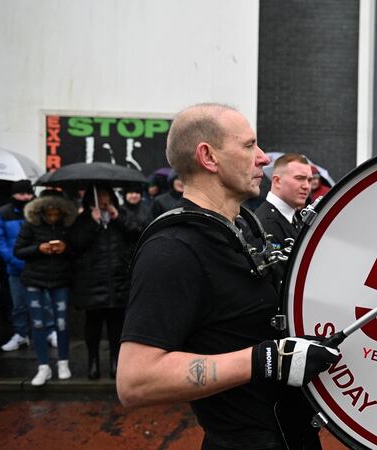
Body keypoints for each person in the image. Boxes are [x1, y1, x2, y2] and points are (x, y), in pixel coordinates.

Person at [117, 103, 339, 450]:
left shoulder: (241, 230)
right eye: (249, 146)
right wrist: (268, 359)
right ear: (209, 157)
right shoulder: (174, 248)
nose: (264, 158)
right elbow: (135, 381)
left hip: (292, 437)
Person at [69, 185, 142, 380]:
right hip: (92, 281)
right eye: (99, 195)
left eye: (106, 195)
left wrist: (117, 217)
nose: (103, 199)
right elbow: (75, 245)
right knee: (93, 325)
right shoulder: (83, 219)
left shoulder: (120, 214)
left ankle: (115, 362)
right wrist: (93, 223)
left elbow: (136, 233)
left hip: (117, 280)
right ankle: (93, 361)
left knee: (116, 326)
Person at [13, 191, 77, 385]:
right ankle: (43, 366)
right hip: (34, 279)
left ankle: (63, 362)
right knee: (38, 323)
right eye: (48, 213)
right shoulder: (30, 225)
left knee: (62, 323)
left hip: (60, 279)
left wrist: (65, 248)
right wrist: (38, 249)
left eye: (55, 213)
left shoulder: (67, 226)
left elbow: (77, 251)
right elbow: (18, 251)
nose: (52, 217)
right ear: (41, 211)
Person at [0, 180, 58, 351]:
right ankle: (21, 334)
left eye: (28, 194)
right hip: (15, 268)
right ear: (13, 194)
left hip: (39, 266)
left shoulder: (40, 211)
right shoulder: (2, 213)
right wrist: (17, 261)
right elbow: (0, 243)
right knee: (18, 304)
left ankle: (50, 331)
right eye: (21, 194)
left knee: (45, 302)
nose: (25, 197)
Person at [254, 153, 313, 289]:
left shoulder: (294, 218)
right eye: (300, 178)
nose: (306, 186)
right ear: (277, 181)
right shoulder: (264, 224)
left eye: (309, 180)